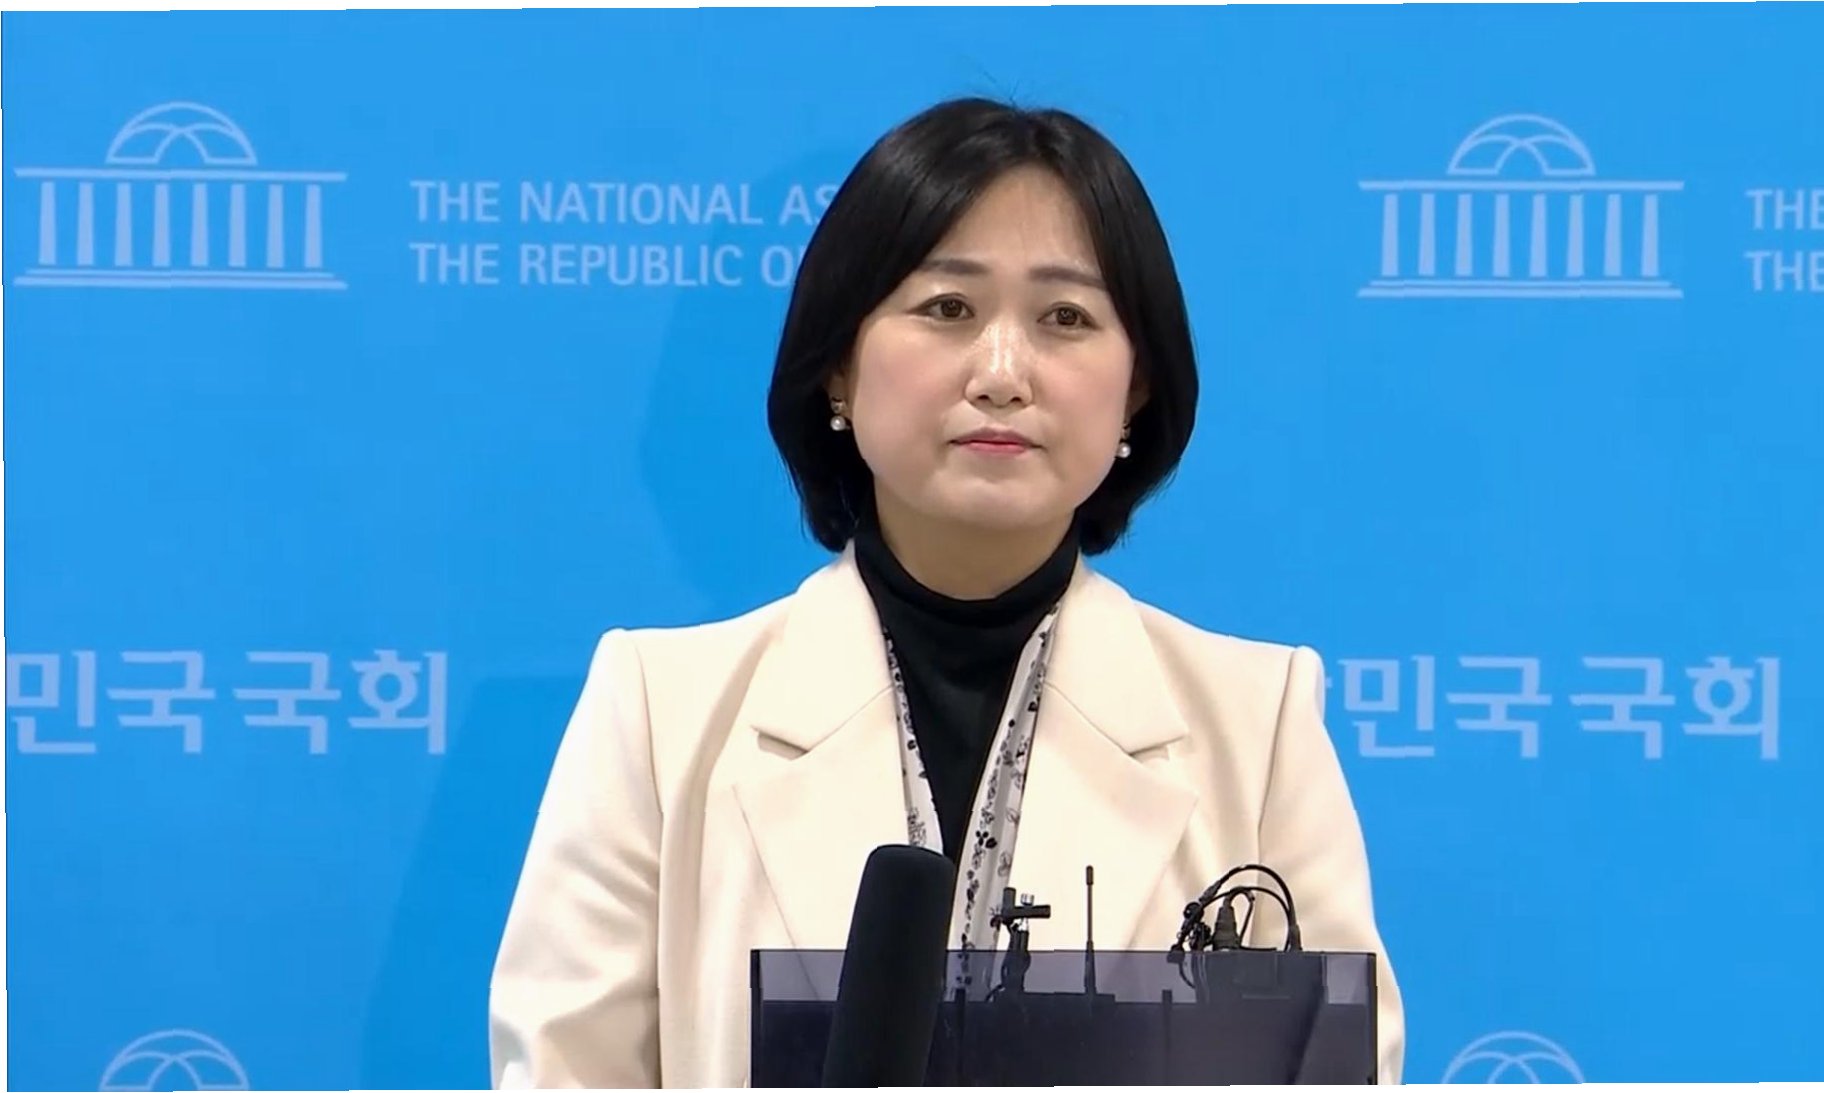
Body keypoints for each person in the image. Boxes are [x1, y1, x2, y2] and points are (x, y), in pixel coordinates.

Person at [488, 96, 1405, 1089]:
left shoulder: (1256, 725)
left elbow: (1338, 1074)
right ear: (839, 366)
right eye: (947, 309)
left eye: (1065, 318)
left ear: (1136, 388)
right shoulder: (662, 712)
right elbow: (567, 1071)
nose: (1002, 374)